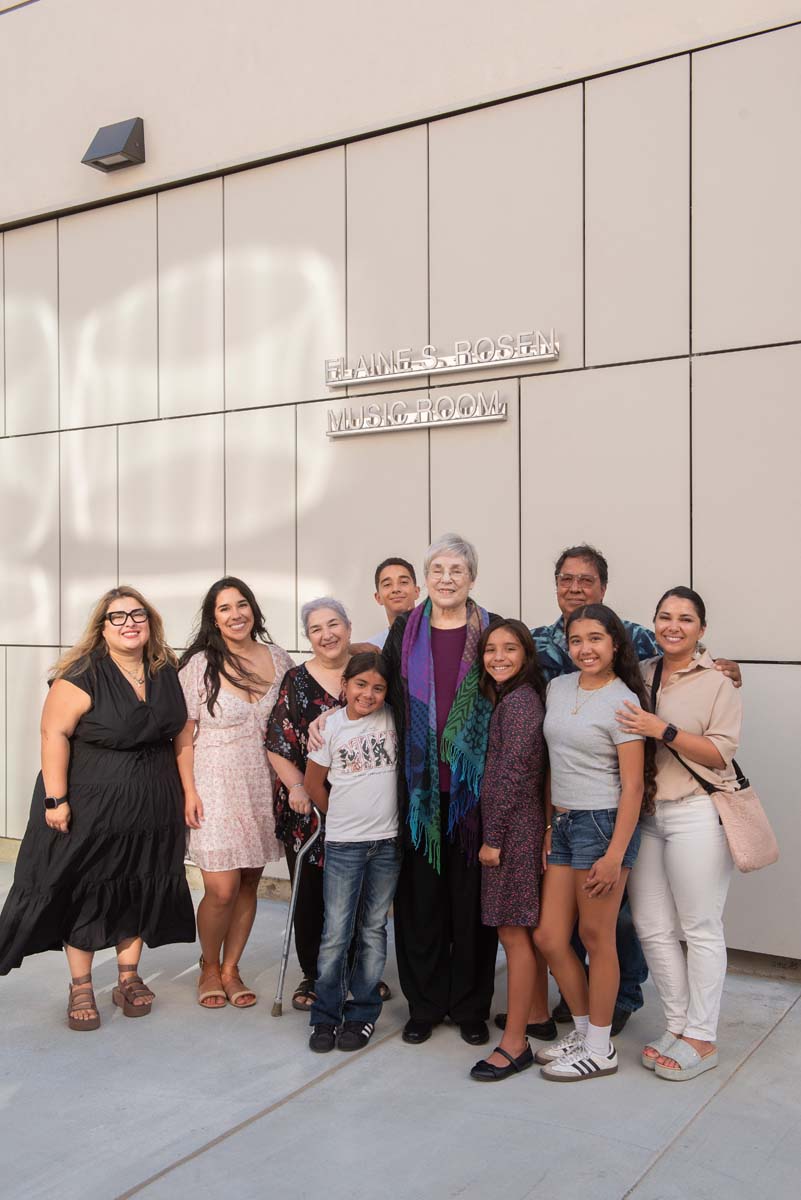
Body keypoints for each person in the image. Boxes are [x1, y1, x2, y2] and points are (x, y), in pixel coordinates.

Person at [530, 543, 741, 1034]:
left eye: (587, 580)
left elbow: (686, 656)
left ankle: (626, 1007)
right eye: (567, 578)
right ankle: (599, 1010)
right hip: (584, 806)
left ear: (603, 588)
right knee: (625, 924)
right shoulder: (544, 643)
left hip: (641, 806)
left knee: (628, 922)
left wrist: (722, 669)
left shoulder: (638, 643)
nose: (576, 587)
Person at [0, 587, 195, 1029]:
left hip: (152, 805)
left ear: (150, 621)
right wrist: (56, 799)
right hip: (91, 803)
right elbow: (53, 735)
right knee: (87, 886)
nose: (129, 623)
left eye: (137, 614)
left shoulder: (166, 670)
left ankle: (128, 976)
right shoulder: (82, 673)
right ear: (102, 628)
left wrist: (187, 792)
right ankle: (81, 984)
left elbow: (180, 733)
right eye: (117, 617)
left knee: (137, 884)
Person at [617, 587, 741, 1081]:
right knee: (651, 925)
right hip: (649, 815)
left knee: (700, 927)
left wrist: (661, 728)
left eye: (685, 619)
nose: (674, 626)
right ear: (654, 623)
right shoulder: (642, 673)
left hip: (696, 812)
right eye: (665, 617)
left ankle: (703, 1037)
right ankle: (676, 1024)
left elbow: (720, 753)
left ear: (701, 630)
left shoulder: (718, 682)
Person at [380, 533, 500, 1046]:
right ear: (426, 578)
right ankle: (425, 1005)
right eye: (438, 570)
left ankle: (471, 1006)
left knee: (472, 906)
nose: (447, 579)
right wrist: (329, 721)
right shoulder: (406, 629)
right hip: (420, 793)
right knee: (420, 905)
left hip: (474, 794)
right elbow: (377, 691)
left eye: (457, 569)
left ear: (472, 577)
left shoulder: (493, 630)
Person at [533, 604, 654, 1082]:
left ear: (616, 645)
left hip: (603, 825)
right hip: (562, 824)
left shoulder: (623, 702)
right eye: (577, 639)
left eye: (596, 639)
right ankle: (584, 1032)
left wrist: (616, 853)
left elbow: (634, 787)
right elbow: (551, 764)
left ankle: (601, 1048)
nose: (585, 648)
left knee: (596, 937)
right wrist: (546, 826)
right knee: (549, 936)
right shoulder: (557, 688)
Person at [175, 577, 293, 1009]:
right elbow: (183, 736)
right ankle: (209, 965)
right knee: (221, 888)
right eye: (224, 608)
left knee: (248, 882)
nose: (236, 614)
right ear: (213, 618)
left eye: (242, 605)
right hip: (215, 784)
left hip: (264, 783)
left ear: (253, 610)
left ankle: (232, 968)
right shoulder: (201, 665)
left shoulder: (278, 659)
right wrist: (188, 791)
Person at [300, 652, 400, 1052]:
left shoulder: (394, 718)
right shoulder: (331, 729)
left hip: (387, 844)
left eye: (378, 687)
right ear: (345, 685)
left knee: (373, 930)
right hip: (343, 845)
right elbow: (313, 785)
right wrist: (340, 814)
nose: (369, 693)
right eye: (360, 684)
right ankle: (325, 1015)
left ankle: (361, 1014)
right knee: (336, 933)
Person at [470, 619, 548, 1082]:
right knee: (524, 932)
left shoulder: (518, 705)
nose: (498, 656)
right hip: (520, 828)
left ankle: (515, 1044)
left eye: (509, 648)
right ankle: (535, 1014)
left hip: (512, 833)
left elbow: (512, 776)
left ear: (526, 654)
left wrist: (493, 839)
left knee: (514, 937)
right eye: (490, 649)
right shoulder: (516, 698)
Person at [367, 557, 420, 650]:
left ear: (416, 591)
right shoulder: (373, 648)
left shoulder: (437, 634)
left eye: (403, 582)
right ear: (378, 597)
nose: (395, 589)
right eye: (387, 584)